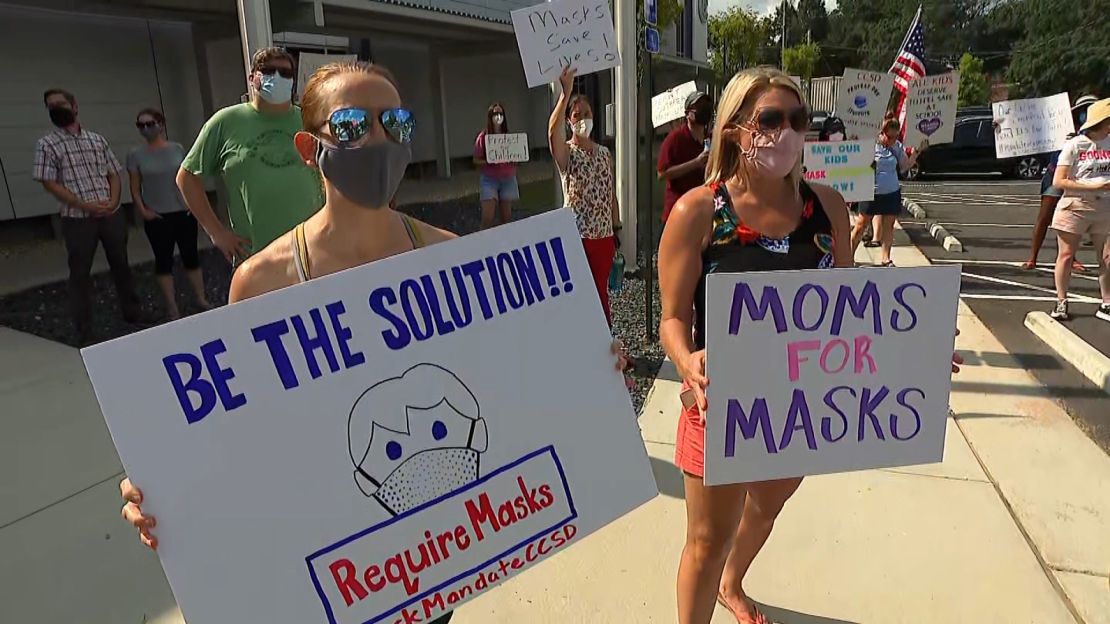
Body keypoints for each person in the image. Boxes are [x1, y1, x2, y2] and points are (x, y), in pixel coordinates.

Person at [118, 61, 629, 624]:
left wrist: (585, 373)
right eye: (353, 125)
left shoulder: (446, 255)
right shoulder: (262, 282)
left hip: (425, 557)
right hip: (331, 560)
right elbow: (242, 434)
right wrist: (170, 490)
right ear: (308, 149)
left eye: (397, 123)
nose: (379, 140)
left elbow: (496, 383)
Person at [658, 66, 961, 624]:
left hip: (802, 408)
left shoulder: (827, 207)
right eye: (770, 119)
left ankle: (734, 581)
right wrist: (686, 359)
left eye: (798, 120)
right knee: (705, 541)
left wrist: (914, 347)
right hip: (721, 404)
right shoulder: (698, 212)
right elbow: (672, 318)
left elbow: (850, 311)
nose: (788, 132)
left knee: (768, 505)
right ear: (733, 130)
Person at [178, 46, 323, 265]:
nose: (277, 77)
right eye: (269, 70)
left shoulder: (310, 120)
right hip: (256, 256)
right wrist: (216, 232)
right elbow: (186, 177)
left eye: (285, 73)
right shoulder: (225, 122)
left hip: (313, 248)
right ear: (252, 77)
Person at [32, 88, 143, 344]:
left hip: (109, 213)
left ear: (75, 106)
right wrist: (83, 204)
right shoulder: (47, 144)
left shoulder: (96, 140)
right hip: (77, 218)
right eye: (50, 106)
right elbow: (49, 182)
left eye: (60, 104)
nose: (56, 109)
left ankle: (133, 313)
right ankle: (85, 330)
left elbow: (114, 173)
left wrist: (115, 201)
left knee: (122, 265)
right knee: (80, 274)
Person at [549, 66, 621, 326]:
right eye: (577, 115)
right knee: (579, 294)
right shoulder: (567, 153)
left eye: (587, 114)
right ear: (569, 121)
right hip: (577, 236)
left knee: (601, 294)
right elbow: (551, 134)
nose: (582, 120)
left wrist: (617, 228)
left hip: (603, 236)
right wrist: (565, 95)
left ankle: (605, 344)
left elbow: (610, 193)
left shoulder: (604, 154)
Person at [127, 108, 211, 320]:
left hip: (183, 213)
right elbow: (135, 187)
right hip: (158, 216)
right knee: (163, 261)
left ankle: (201, 298)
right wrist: (143, 210)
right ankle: (172, 306)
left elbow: (187, 178)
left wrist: (193, 204)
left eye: (150, 124)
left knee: (191, 256)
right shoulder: (135, 155)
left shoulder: (177, 149)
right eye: (141, 125)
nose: (146, 129)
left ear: (161, 125)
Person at [1048, 97, 1110, 322]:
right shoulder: (1075, 145)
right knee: (1066, 255)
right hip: (1076, 205)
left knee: (1107, 257)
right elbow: (1059, 181)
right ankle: (1061, 302)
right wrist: (1092, 185)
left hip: (1105, 206)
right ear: (1099, 123)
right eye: (1108, 123)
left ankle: (1107, 303)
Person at [1023, 94, 1099, 271]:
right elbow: (1032, 136)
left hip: (1078, 180)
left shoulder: (1099, 132)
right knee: (1044, 217)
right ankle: (1032, 257)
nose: (1086, 114)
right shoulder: (1062, 127)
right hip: (1055, 175)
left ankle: (1070, 257)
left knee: (1072, 221)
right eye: (1084, 110)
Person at [851, 114, 927, 266]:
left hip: (891, 192)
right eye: (889, 136)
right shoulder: (871, 144)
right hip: (871, 192)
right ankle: (848, 255)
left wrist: (917, 151)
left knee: (889, 226)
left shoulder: (897, 147)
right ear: (882, 132)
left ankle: (885, 258)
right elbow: (856, 160)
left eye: (895, 136)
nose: (892, 140)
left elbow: (905, 166)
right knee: (861, 224)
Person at [658, 91, 713, 223]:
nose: (703, 109)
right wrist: (695, 163)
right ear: (688, 113)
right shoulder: (675, 139)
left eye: (705, 105)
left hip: (703, 211)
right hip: (678, 212)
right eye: (698, 106)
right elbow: (662, 174)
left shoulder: (712, 138)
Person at [473, 102, 520, 229]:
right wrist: (489, 161)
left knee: (506, 218)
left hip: (508, 178)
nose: (498, 116)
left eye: (500, 113)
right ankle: (483, 243)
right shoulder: (483, 137)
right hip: (489, 179)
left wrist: (516, 159)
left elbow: (516, 158)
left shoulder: (509, 137)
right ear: (490, 116)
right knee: (488, 217)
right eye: (495, 113)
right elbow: (476, 160)